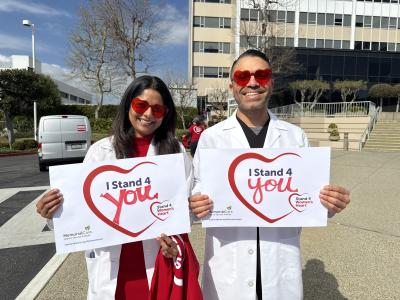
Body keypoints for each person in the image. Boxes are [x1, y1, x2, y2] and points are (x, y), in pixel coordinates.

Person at [189, 49, 350, 300]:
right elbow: (197, 191)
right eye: (243, 76)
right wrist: (196, 202)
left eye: (261, 75)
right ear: (232, 86)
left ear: (271, 83)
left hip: (279, 266)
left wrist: (328, 203)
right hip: (229, 270)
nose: (252, 82)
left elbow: (308, 198)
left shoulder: (294, 137)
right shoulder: (212, 138)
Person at [36, 76, 202, 300]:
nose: (148, 114)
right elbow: (80, 209)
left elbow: (186, 208)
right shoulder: (101, 152)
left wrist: (196, 207)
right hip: (114, 267)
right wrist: (53, 213)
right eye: (141, 105)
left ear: (166, 113)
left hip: (158, 261)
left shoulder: (175, 151)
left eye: (158, 109)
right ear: (128, 106)